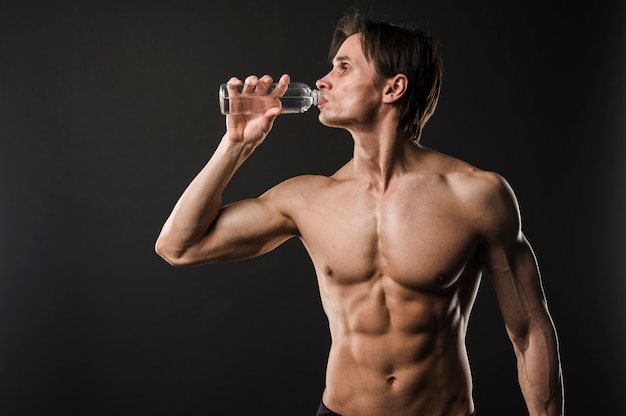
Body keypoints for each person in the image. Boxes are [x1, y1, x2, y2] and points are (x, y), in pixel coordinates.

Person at [155, 11, 564, 416]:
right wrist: (235, 146)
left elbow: (529, 332)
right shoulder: (306, 199)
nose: (321, 80)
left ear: (393, 88)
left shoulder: (476, 196)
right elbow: (178, 246)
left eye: (344, 67)